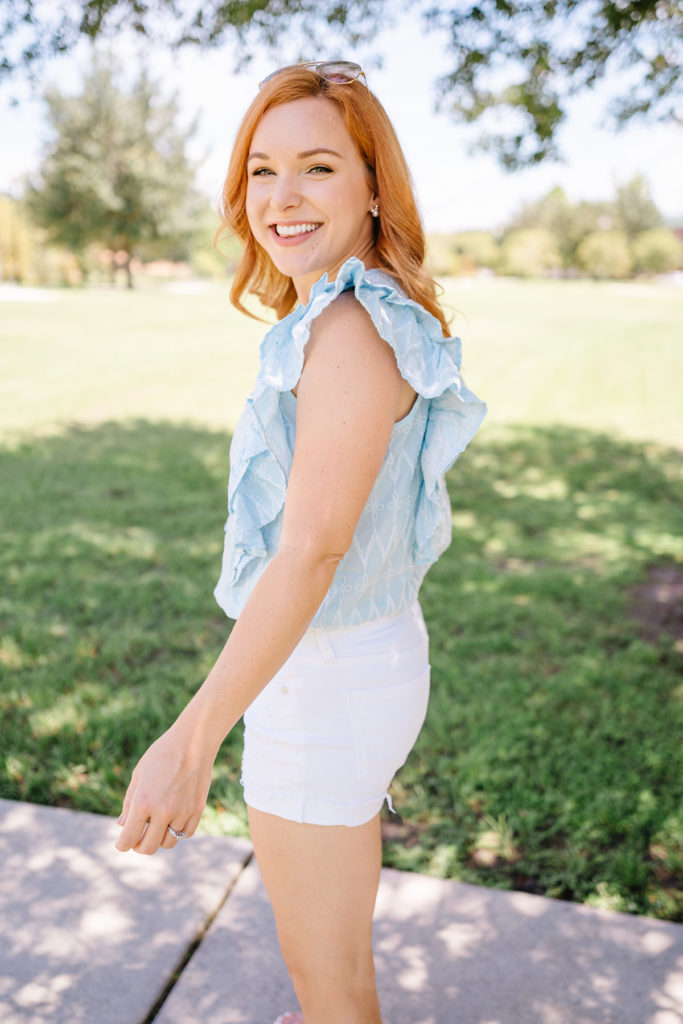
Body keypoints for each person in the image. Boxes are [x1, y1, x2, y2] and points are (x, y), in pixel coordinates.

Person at [115, 60, 486, 1024]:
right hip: (338, 670)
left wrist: (190, 741)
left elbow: (311, 552)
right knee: (328, 983)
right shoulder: (339, 314)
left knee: (332, 994)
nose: (280, 197)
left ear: (371, 187)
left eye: (317, 168)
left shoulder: (354, 330)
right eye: (260, 170)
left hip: (326, 687)